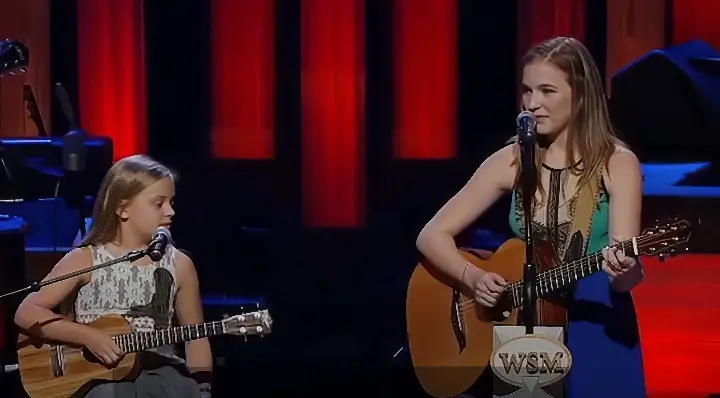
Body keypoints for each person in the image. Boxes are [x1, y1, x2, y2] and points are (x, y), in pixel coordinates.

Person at [416, 37, 646, 398]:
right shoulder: (512, 159)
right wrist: (472, 278)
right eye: (527, 91)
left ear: (582, 94)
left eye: (547, 91)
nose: (532, 104)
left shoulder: (617, 163)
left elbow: (625, 278)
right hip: (525, 327)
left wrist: (626, 269)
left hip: (598, 322)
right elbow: (431, 235)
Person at [14, 155, 213, 398]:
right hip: (97, 378)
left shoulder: (179, 265)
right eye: (158, 203)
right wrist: (89, 336)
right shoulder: (86, 259)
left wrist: (203, 389)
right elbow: (26, 312)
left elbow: (196, 338)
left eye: (171, 202)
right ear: (122, 208)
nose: (170, 211)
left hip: (159, 376)